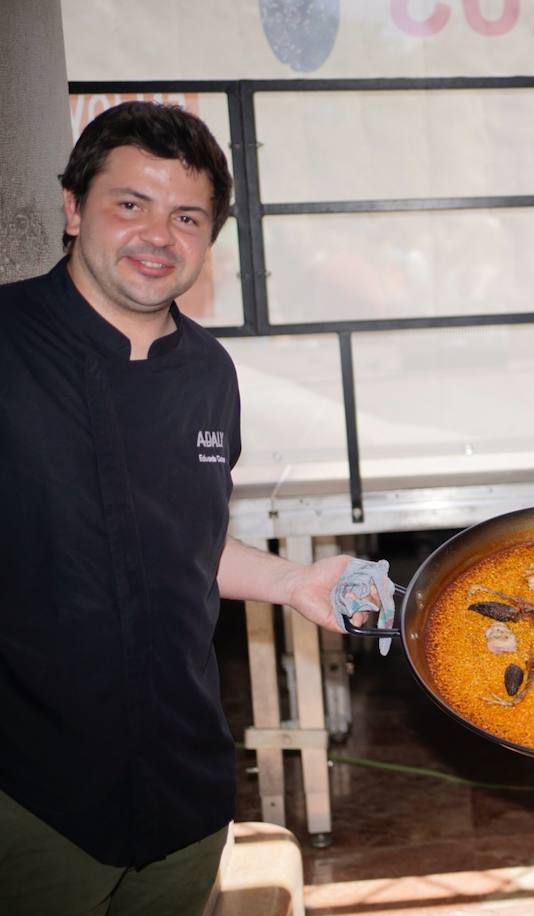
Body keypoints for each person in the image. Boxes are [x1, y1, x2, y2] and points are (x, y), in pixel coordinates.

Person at [0, 101, 369, 915]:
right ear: (73, 208)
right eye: (130, 204)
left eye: (187, 217)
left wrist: (293, 583)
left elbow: (177, 541)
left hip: (185, 791)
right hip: (28, 803)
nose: (158, 236)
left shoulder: (208, 373)